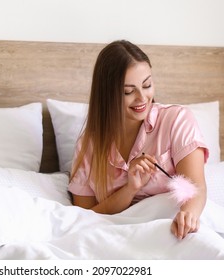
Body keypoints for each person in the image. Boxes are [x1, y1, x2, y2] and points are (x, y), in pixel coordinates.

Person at [68, 40, 208, 240]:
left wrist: (188, 216)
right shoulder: (89, 145)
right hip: (118, 236)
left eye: (147, 85)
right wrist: (130, 188)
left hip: (175, 231)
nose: (142, 98)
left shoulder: (176, 120)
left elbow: (197, 187)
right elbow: (84, 217)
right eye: (128, 91)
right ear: (107, 95)